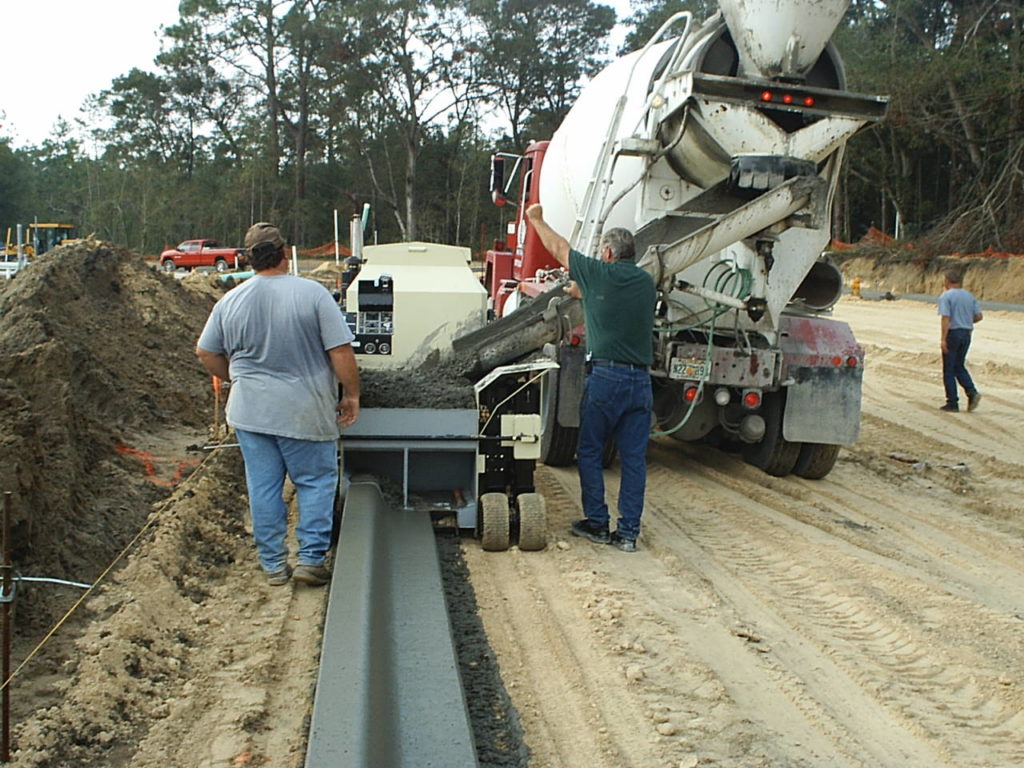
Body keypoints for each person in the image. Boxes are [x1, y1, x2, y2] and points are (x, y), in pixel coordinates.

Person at [196, 222, 360, 586]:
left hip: (250, 412)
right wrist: (351, 394)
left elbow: (205, 351)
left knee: (264, 486)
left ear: (248, 258)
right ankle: (311, 560)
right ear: (284, 253)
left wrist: (236, 379)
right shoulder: (312, 294)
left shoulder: (231, 300)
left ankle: (273, 565)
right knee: (315, 481)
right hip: (304, 408)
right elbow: (340, 351)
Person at [525, 204, 657, 552]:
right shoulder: (646, 282)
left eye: (602, 251)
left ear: (609, 253)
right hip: (640, 384)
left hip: (606, 379)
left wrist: (536, 218)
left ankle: (597, 523)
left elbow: (559, 249)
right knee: (633, 460)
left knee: (589, 450)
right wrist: (580, 291)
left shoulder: (600, 272)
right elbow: (611, 298)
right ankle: (628, 533)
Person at [938, 267, 982, 412]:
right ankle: (971, 391)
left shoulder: (946, 296)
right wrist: (965, 321)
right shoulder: (969, 296)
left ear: (947, 281)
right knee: (959, 365)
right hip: (966, 333)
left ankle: (952, 402)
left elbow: (946, 318)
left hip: (953, 333)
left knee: (949, 369)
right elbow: (978, 316)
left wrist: (943, 339)